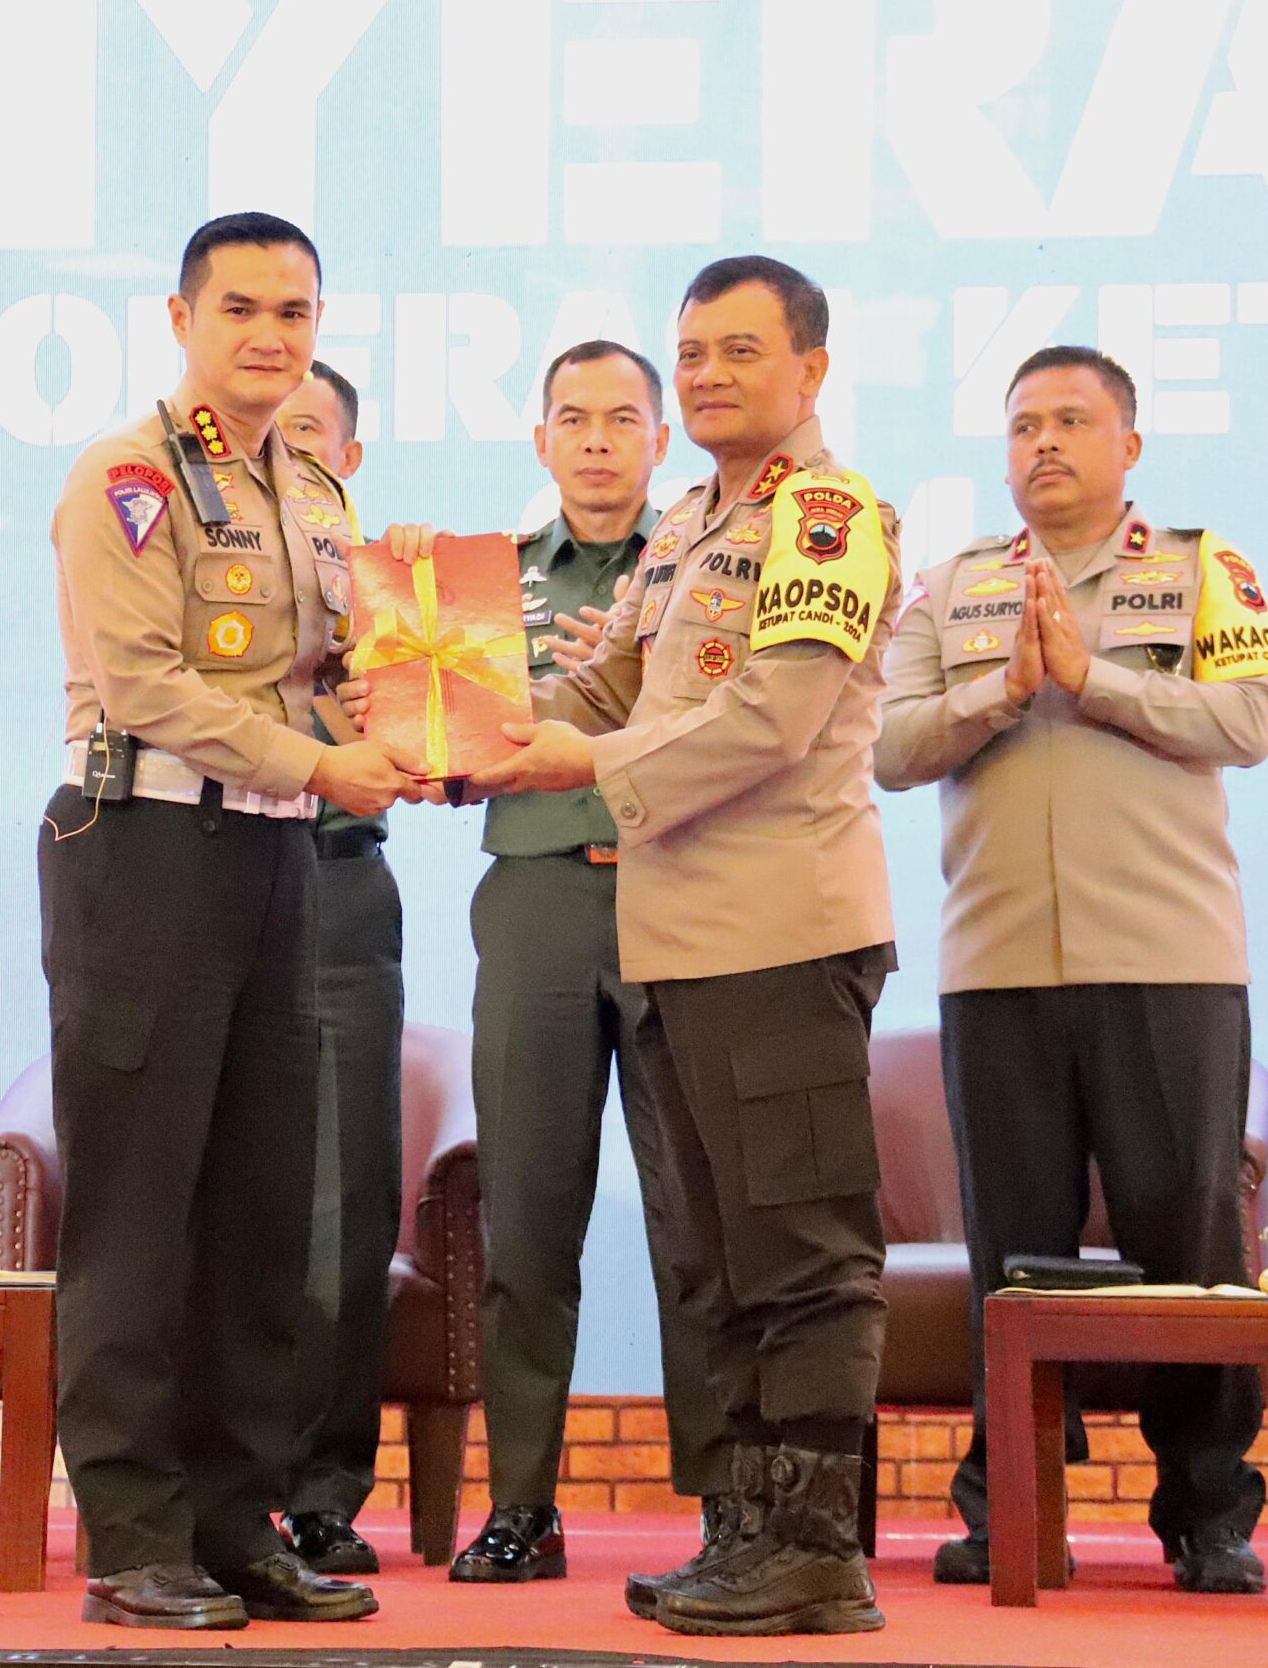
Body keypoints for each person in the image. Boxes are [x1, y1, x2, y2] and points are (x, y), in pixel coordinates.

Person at [352, 257, 902, 1637]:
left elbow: (772, 717)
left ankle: (816, 1545)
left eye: (736, 351)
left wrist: (580, 752)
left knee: (800, 1249)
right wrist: (453, 726)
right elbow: (602, 681)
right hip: (680, 938)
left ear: (812, 370)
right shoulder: (692, 529)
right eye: (693, 351)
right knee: (722, 1245)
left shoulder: (826, 517)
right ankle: (751, 1534)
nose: (708, 373)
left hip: (779, 931)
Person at [39, 212, 419, 1630]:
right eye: (245, 307)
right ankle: (134, 1533)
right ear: (184, 318)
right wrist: (328, 757)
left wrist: (407, 722)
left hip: (277, 860)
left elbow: (328, 681)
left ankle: (235, 1519)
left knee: (268, 1207)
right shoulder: (128, 478)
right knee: (140, 1209)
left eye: (297, 312)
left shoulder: (314, 495)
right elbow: (143, 684)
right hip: (140, 845)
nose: (272, 334)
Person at [873, 344, 1268, 1597]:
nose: (1042, 444)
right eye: (1021, 427)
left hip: (1168, 958)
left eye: (1071, 421)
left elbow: (1249, 721)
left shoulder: (1199, 570)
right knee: (1013, 1249)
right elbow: (892, 747)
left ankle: (1208, 1512)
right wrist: (996, 696)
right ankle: (1012, 1505)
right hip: (997, 964)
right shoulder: (951, 590)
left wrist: (1090, 682)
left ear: (1129, 446)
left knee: (1188, 1242)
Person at [438, 341, 726, 1589]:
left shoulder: (706, 571)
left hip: (687, 900)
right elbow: (438, 751)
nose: (598, 439)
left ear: (661, 440)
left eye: (623, 417)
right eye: (573, 418)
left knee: (699, 1227)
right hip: (540, 905)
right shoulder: (480, 589)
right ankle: (520, 1509)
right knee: (528, 1222)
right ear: (540, 441)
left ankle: (731, 1515)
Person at [271, 359, 406, 1577]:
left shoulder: (400, 598)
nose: (286, 447)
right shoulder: (188, 560)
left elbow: (440, 733)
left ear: (347, 461)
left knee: (341, 1214)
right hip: (211, 883)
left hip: (339, 890)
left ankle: (322, 1491)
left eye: (310, 433)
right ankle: (209, 1482)